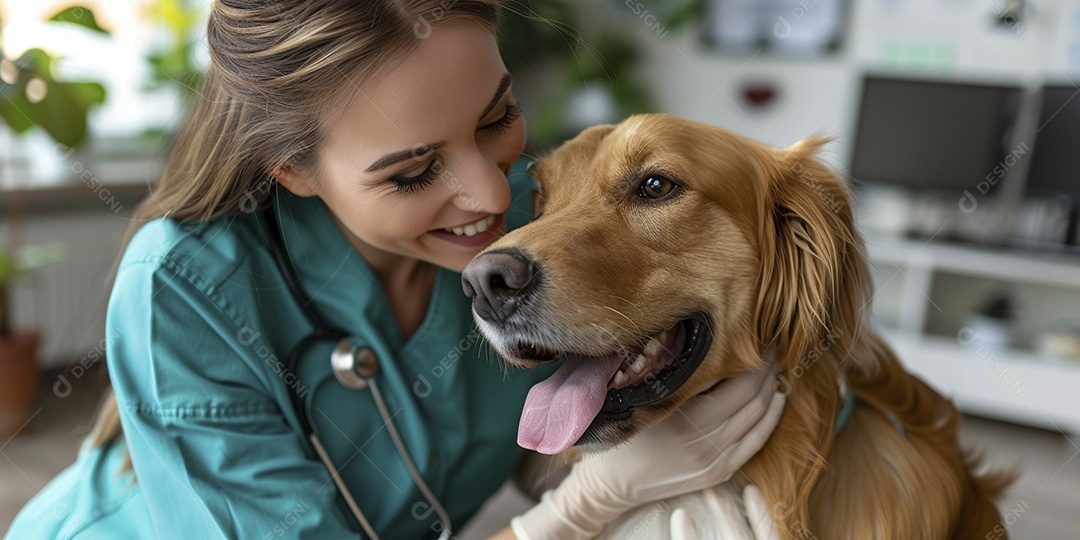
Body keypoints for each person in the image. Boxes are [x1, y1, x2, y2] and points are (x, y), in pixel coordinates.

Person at [5, 1, 784, 538]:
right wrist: (581, 506)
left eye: (497, 120)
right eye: (413, 172)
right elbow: (567, 492)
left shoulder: (536, 223)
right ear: (295, 170)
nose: (491, 196)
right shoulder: (184, 286)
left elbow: (547, 436)